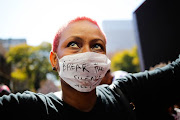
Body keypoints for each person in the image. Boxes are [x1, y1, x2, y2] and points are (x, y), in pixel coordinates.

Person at [0, 16, 180, 120]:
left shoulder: (124, 93)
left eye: (97, 46)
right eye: (73, 44)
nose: (87, 53)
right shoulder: (29, 109)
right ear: (54, 60)